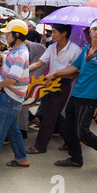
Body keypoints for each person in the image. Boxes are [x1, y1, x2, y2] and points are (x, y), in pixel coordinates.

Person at [46, 18, 97, 169]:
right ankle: (75, 159)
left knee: (82, 132)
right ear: (90, 31)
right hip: (76, 94)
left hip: (90, 98)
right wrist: (56, 73)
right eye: (94, 29)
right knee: (70, 129)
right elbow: (74, 68)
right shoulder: (86, 49)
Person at [0, 19, 31, 171]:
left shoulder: (20, 53)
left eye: (8, 34)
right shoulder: (15, 51)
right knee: (11, 128)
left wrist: (0, 85)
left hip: (10, 96)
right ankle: (22, 158)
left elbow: (13, 78)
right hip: (11, 95)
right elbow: (6, 69)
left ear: (16, 35)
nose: (6, 36)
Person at [27, 24, 82, 154]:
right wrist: (22, 70)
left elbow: (76, 72)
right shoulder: (51, 47)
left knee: (49, 116)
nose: (52, 35)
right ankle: (72, 141)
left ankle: (40, 146)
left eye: (55, 32)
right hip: (48, 83)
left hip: (62, 84)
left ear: (64, 33)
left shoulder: (75, 50)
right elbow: (39, 63)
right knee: (56, 116)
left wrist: (58, 74)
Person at [17, 29, 48, 139]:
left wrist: (17, 35)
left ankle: (22, 130)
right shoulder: (30, 51)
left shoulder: (40, 48)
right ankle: (27, 123)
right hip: (29, 80)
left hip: (34, 82)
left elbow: (25, 41)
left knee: (22, 105)